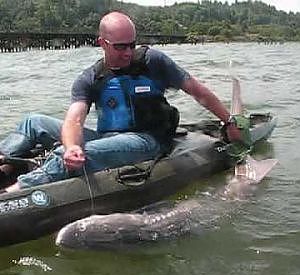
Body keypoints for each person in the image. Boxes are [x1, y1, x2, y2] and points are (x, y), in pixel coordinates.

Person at [0, 11, 241, 194]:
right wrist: (73, 144)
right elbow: (74, 118)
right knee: (33, 122)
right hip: (107, 138)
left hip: (147, 140)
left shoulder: (153, 61)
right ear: (102, 43)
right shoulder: (90, 78)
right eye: (120, 46)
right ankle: (3, 163)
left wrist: (228, 121)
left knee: (70, 152)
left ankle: (14, 192)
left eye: (131, 44)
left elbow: (198, 91)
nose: (128, 52)